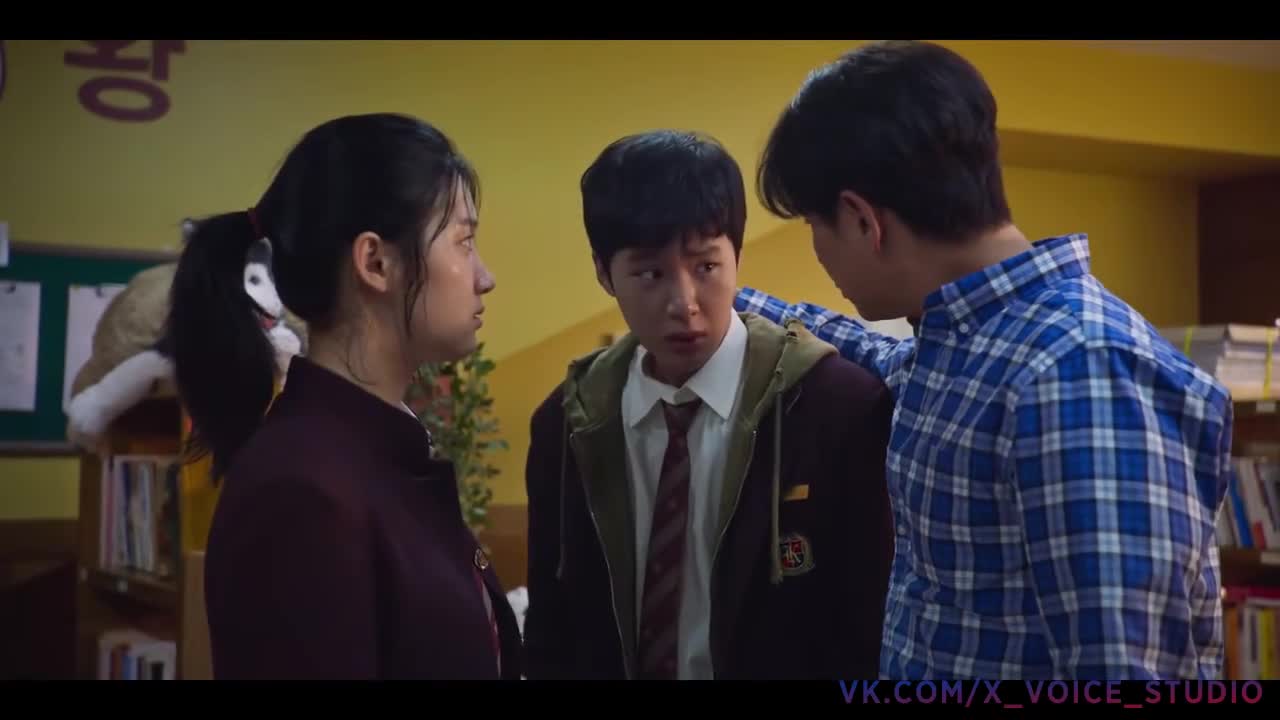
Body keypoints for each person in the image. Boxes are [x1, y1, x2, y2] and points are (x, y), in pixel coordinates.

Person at [734, 40, 1234, 680]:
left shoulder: (1079, 371)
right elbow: (878, 354)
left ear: (861, 220)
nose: (819, 248)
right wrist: (728, 299)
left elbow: (1121, 675)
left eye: (813, 223)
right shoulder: (966, 344)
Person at [522, 130, 896, 680]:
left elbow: (866, 625)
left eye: (706, 267)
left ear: (737, 256)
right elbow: (552, 627)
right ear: (604, 272)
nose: (685, 304)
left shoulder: (835, 407)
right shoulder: (568, 421)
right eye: (650, 274)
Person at [167, 113, 521, 679]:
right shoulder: (302, 490)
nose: (485, 277)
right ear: (376, 262)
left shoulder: (374, 451)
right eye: (464, 242)